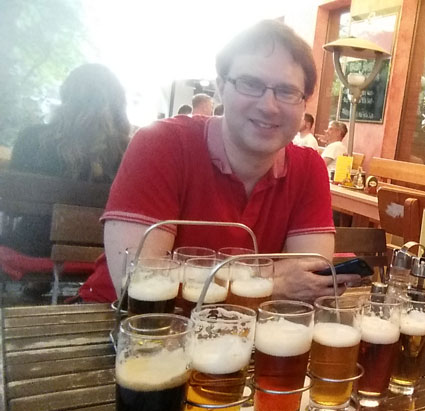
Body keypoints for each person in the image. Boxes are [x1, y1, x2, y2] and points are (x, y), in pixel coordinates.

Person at [78, 20, 362, 303]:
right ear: (222, 87)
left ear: (304, 103)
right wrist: (273, 282)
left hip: (240, 336)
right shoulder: (161, 144)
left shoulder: (309, 167)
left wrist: (211, 281)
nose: (268, 106)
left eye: (287, 91)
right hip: (110, 322)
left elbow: (308, 284)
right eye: (250, 84)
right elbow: (140, 286)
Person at [6, 63, 130, 257]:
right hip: (103, 253)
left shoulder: (30, 139)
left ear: (66, 97)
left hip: (29, 249)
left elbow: (11, 210)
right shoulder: (129, 154)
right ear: (119, 104)